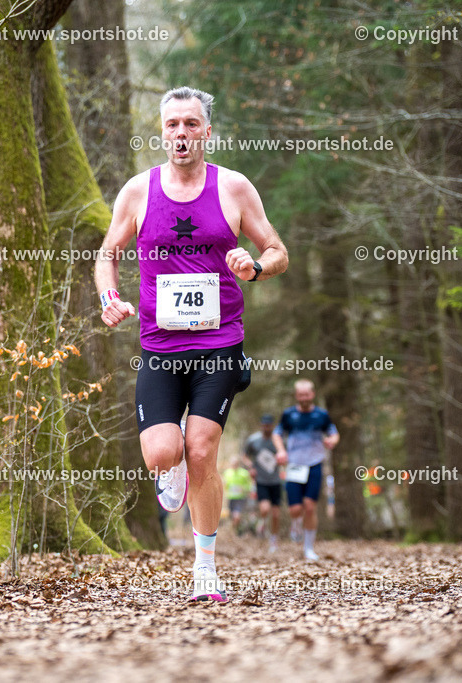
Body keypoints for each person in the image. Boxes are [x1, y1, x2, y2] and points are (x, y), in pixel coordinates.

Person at [95, 86, 288, 601]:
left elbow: (276, 249)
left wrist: (256, 267)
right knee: (164, 452)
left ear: (207, 130)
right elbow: (106, 253)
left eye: (191, 124)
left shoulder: (234, 188)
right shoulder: (138, 192)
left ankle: (205, 567)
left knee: (203, 451)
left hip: (220, 344)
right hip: (160, 346)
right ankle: (171, 462)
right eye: (173, 125)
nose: (182, 133)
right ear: (162, 132)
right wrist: (110, 297)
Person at [272, 379, 339, 560]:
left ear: (313, 394)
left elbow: (334, 433)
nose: (304, 398)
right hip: (294, 464)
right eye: (300, 395)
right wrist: (280, 451)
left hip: (315, 463)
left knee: (310, 507)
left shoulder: (321, 415)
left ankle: (308, 547)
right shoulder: (288, 415)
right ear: (296, 396)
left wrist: (331, 441)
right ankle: (296, 523)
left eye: (307, 394)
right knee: (295, 509)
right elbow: (277, 434)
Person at [242, 413, 282, 553]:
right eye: (264, 425)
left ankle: (274, 539)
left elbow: (285, 455)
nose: (267, 428)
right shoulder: (254, 440)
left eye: (269, 425)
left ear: (273, 426)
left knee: (276, 514)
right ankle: (262, 523)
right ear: (261, 425)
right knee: (265, 509)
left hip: (276, 480)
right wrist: (251, 467)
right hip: (261, 480)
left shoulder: (278, 440)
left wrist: (281, 460)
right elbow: (245, 456)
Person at [222, 459, 252, 535]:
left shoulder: (244, 473)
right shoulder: (227, 473)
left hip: (240, 498)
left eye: (235, 464)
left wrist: (244, 489)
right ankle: (235, 530)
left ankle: (235, 531)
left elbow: (249, 485)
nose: (234, 466)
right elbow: (225, 485)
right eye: (232, 464)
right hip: (230, 498)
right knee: (232, 516)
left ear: (238, 464)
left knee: (237, 516)